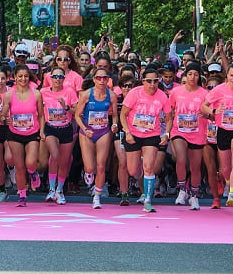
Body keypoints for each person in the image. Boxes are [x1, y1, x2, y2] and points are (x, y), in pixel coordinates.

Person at [121, 66, 170, 212]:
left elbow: (169, 118)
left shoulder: (162, 96)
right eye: (149, 81)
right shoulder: (134, 93)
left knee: (149, 168)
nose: (152, 84)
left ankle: (148, 200)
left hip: (151, 135)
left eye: (155, 81)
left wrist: (166, 134)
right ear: (143, 81)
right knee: (132, 170)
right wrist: (127, 132)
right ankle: (141, 169)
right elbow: (123, 114)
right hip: (133, 135)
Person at [204, 64, 233, 207]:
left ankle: (232, 193)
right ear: (227, 76)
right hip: (223, 129)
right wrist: (214, 111)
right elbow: (203, 106)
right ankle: (228, 182)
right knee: (225, 168)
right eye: (231, 75)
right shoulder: (219, 90)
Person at [0, 65, 43, 207]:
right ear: (15, 77)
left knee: (30, 162)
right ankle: (22, 194)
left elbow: (41, 115)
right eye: (20, 76)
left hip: (32, 133)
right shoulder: (9, 95)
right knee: (19, 166)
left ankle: (33, 172)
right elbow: (2, 115)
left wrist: (42, 131)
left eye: (25, 76)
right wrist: (5, 119)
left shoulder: (36, 93)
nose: (23, 79)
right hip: (15, 133)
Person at [167, 63, 207, 210]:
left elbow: (211, 113)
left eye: (196, 74)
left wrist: (207, 114)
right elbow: (169, 111)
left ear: (199, 76)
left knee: (195, 167)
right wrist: (167, 130)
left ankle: (194, 195)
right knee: (181, 158)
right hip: (179, 131)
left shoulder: (204, 94)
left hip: (197, 133)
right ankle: (182, 189)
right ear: (185, 75)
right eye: (190, 74)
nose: (192, 77)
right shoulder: (176, 92)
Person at [75, 66, 115, 209]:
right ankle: (88, 173)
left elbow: (114, 114)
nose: (102, 81)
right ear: (94, 80)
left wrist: (114, 124)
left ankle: (97, 196)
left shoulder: (112, 95)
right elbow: (77, 115)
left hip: (103, 131)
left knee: (101, 165)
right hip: (87, 132)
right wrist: (85, 129)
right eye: (99, 78)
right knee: (90, 167)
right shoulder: (86, 95)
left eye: (105, 78)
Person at [40, 65, 78, 205]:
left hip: (66, 128)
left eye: (60, 77)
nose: (57, 79)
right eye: (54, 76)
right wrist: (41, 129)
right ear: (50, 78)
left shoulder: (69, 92)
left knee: (64, 162)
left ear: (64, 79)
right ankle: (51, 188)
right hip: (50, 128)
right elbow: (38, 111)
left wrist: (66, 107)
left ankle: (59, 190)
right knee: (54, 155)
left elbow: (76, 110)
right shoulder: (43, 92)